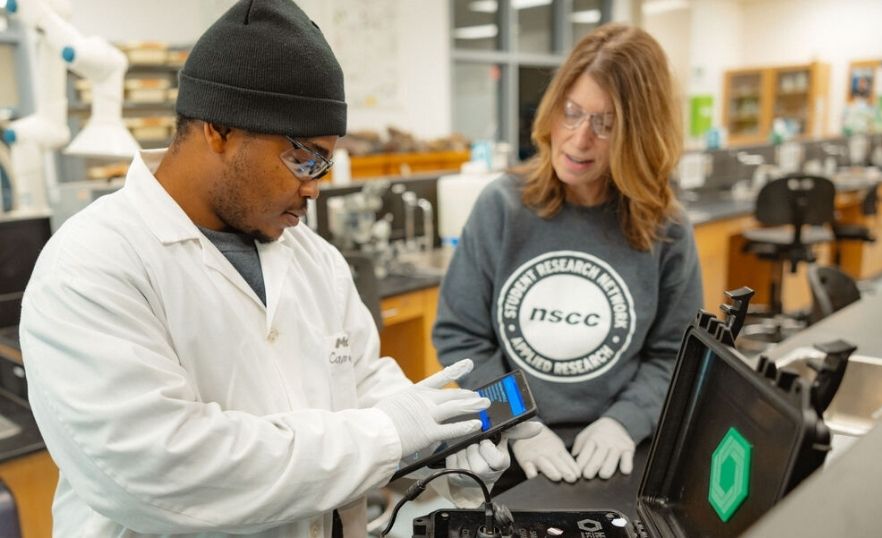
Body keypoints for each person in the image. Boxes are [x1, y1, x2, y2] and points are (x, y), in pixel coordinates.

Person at [19, 2, 538, 537]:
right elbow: (160, 467)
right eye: (305, 159)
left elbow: (358, 381)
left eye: (327, 164)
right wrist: (385, 435)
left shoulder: (313, 258)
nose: (316, 186)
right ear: (219, 129)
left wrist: (440, 446)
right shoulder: (91, 266)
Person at [433, 23, 703, 489]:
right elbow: (461, 338)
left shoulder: (666, 229)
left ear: (639, 136)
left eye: (606, 125)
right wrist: (516, 421)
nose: (579, 140)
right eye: (572, 112)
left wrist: (628, 419)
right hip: (509, 445)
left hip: (616, 448)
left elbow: (675, 353)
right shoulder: (502, 206)